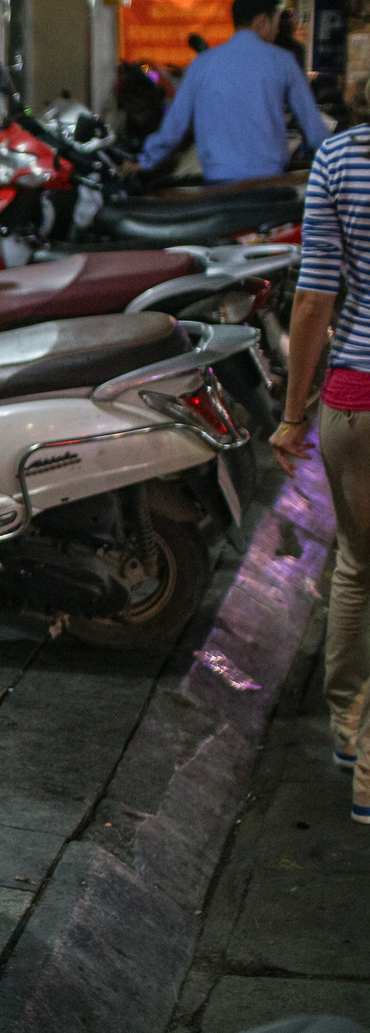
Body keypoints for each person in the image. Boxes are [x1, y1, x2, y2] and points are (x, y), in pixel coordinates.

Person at [271, 119, 370, 826]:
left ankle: (347, 718)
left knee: (357, 563)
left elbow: (313, 298)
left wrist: (293, 412)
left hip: (353, 399)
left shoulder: (340, 154)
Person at [135, 0, 328, 183]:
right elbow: (314, 129)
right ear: (262, 21)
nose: (277, 31)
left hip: (217, 184)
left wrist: (144, 163)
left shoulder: (202, 63)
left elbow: (173, 128)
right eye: (276, 22)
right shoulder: (283, 61)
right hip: (268, 187)